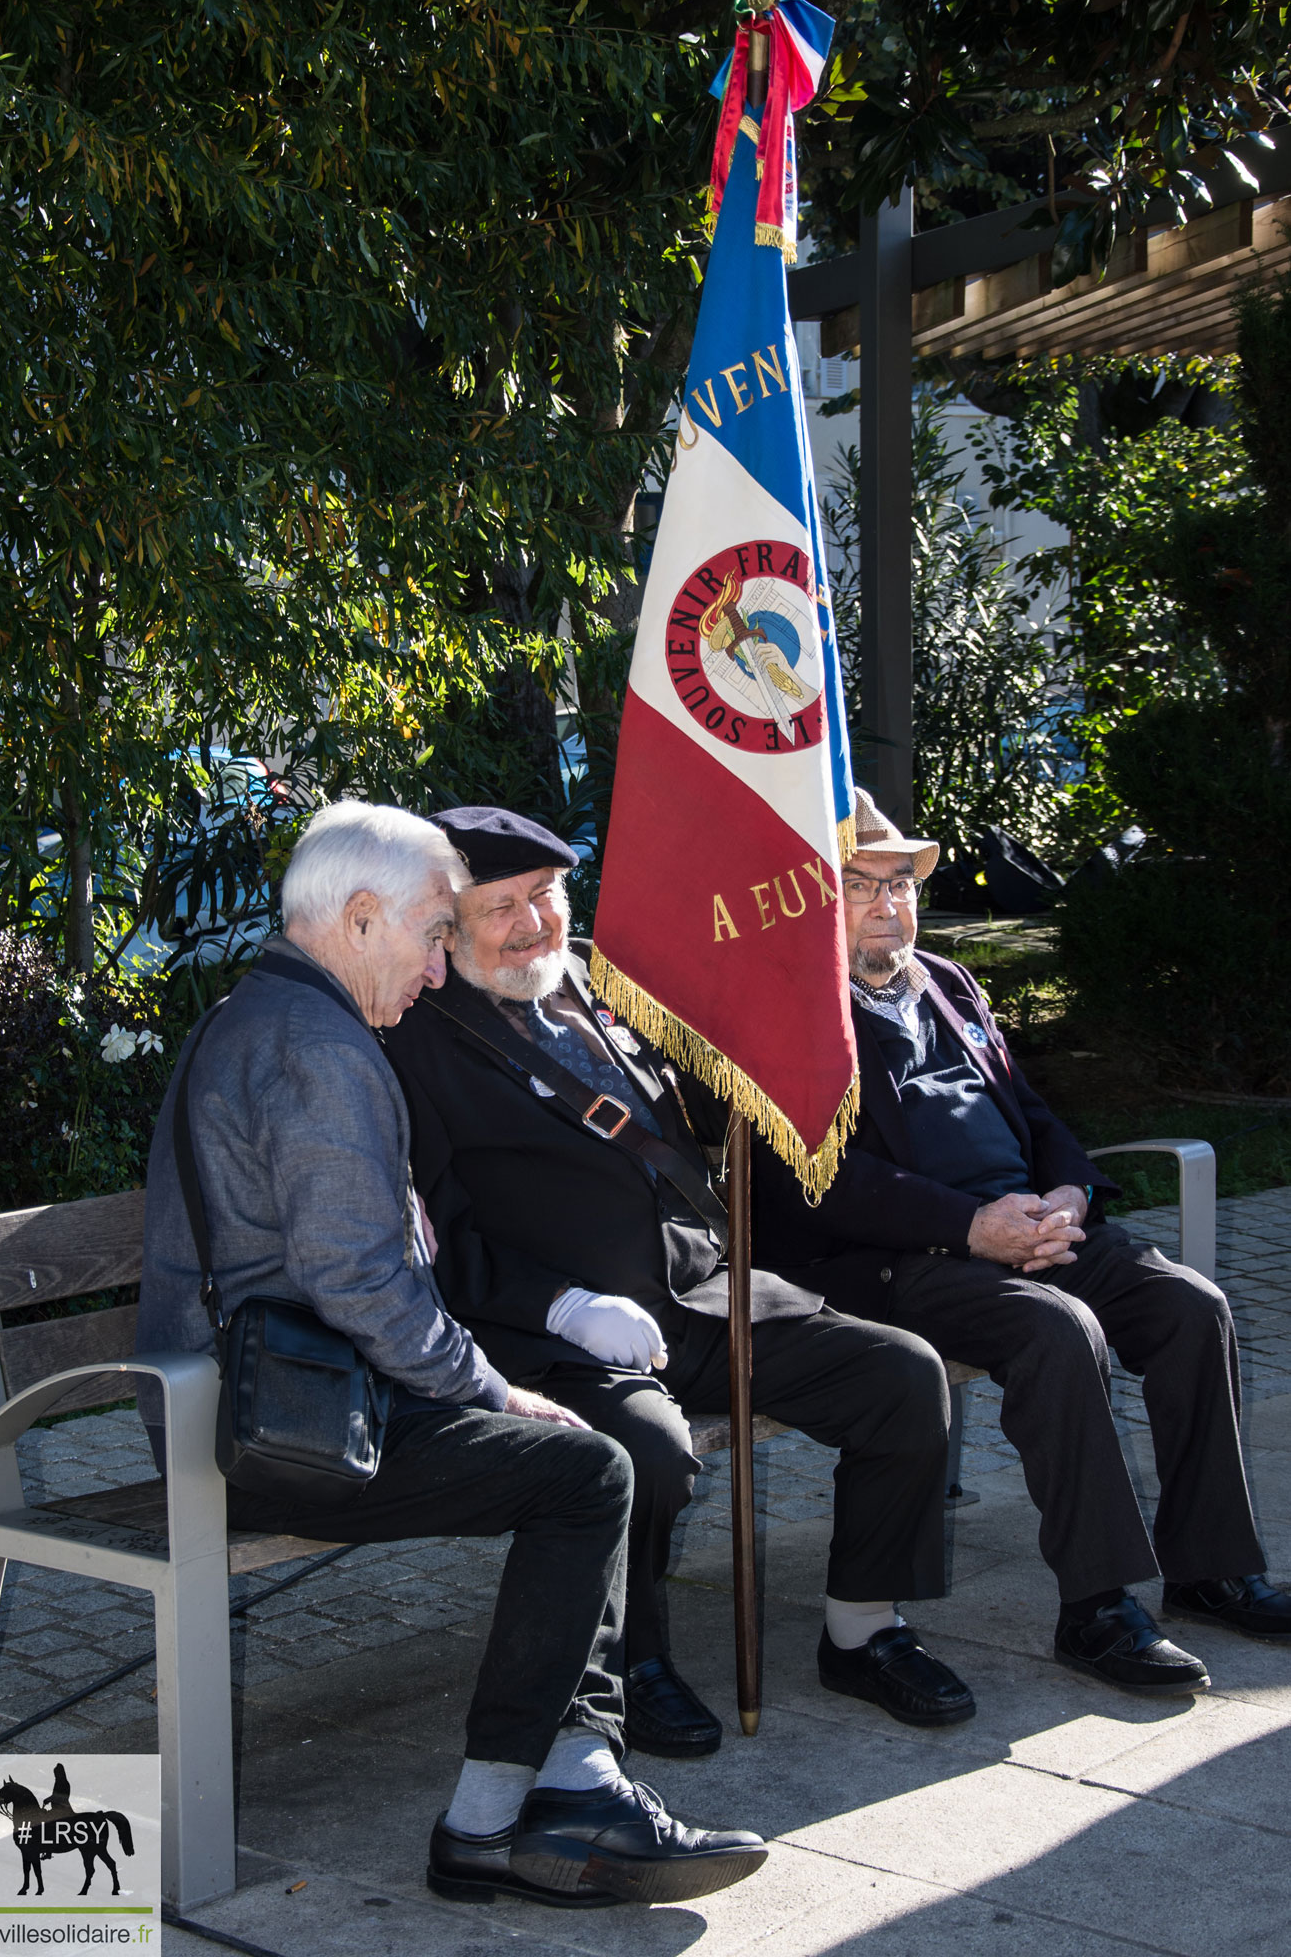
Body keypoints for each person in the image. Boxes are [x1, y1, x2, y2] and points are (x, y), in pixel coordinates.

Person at [136, 800, 765, 1911]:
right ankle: (508, 1811)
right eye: (435, 933)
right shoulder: (319, 1045)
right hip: (278, 1428)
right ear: (363, 916)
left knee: (585, 1456)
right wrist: (495, 1387)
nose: (437, 970)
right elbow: (360, 1281)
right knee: (584, 1466)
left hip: (287, 1390)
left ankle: (556, 1788)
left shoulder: (274, 1012)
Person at [381, 805, 976, 1759]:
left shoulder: (601, 992)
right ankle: (630, 1659)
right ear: (445, 924)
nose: (534, 923)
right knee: (647, 1455)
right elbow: (431, 1234)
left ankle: (864, 1632)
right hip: (556, 1339)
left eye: (547, 896)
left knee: (899, 1376)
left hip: (699, 1296)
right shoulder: (411, 1037)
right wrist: (560, 1306)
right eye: (503, 907)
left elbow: (692, 1120)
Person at [751, 785, 1291, 1696]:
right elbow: (815, 1178)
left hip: (1029, 1227)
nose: (892, 903)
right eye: (863, 884)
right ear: (812, 895)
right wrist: (971, 1228)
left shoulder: (948, 983)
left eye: (902, 883)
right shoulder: (782, 1015)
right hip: (900, 1260)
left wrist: (1069, 1195)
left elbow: (1032, 1115)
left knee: (1190, 1306)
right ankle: (1098, 1607)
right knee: (1055, 1330)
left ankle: (1209, 1568)